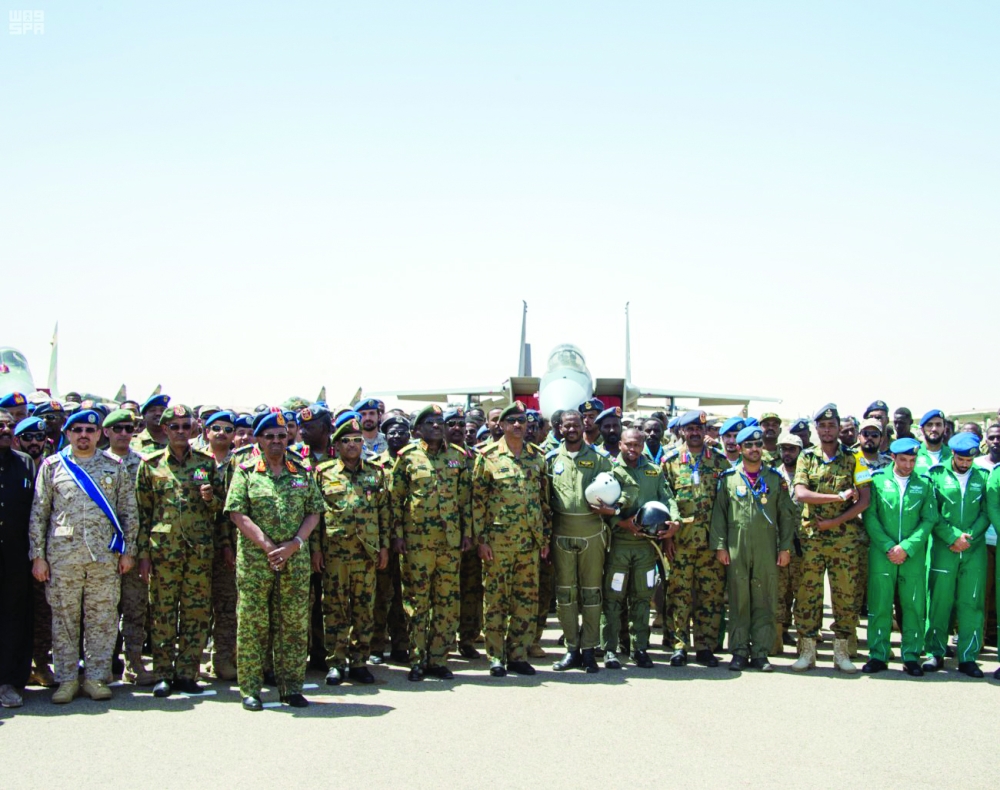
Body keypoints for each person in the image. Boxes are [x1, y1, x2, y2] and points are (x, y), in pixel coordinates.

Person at [28, 410, 137, 704]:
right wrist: (38, 556)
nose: (83, 435)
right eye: (77, 429)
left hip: (105, 557)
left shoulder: (114, 466)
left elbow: (129, 512)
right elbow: (39, 514)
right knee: (64, 619)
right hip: (63, 558)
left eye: (90, 429)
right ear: (67, 433)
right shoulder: (53, 467)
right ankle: (66, 680)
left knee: (102, 619)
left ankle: (96, 678)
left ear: (100, 433)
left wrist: (128, 552)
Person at [225, 412, 323, 710]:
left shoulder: (302, 471)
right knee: (253, 625)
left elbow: (314, 511)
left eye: (282, 436)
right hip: (257, 562)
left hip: (295, 561)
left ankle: (291, 687)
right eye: (270, 436)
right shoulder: (246, 471)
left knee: (292, 625)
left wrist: (294, 545)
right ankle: (251, 689)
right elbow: (237, 513)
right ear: (258, 440)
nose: (277, 441)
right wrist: (269, 547)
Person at [136, 405, 224, 697]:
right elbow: (142, 515)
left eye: (186, 426)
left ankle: (187, 672)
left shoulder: (206, 463)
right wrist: (143, 556)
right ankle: (163, 672)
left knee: (195, 613)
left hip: (198, 550)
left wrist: (211, 498)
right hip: (164, 551)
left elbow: (222, 508)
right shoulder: (150, 464)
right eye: (174, 427)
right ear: (164, 429)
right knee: (162, 612)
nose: (181, 432)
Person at [547, 410, 635, 673]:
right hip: (561, 532)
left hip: (592, 533)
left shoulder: (600, 459)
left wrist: (616, 507)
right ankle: (571, 648)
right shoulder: (550, 459)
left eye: (576, 425)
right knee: (565, 593)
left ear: (583, 427)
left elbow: (627, 487)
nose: (571, 429)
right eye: (567, 426)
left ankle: (588, 650)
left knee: (592, 593)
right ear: (560, 428)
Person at [390, 404, 472, 681]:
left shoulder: (458, 457)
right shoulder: (408, 457)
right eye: (430, 422)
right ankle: (417, 659)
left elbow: (465, 501)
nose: (437, 426)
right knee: (417, 602)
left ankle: (438, 659)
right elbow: (395, 500)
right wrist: (397, 535)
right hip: (416, 543)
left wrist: (467, 533)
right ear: (418, 429)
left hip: (449, 543)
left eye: (440, 422)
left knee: (447, 601)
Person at [473, 402, 551, 677]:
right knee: (496, 599)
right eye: (512, 421)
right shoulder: (487, 456)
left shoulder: (536, 457)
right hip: (498, 542)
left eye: (522, 420)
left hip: (529, 542)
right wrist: (481, 540)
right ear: (502, 426)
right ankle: (496, 656)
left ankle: (518, 654)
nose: (518, 425)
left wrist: (544, 538)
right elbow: (478, 502)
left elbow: (543, 501)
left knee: (526, 599)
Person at [791, 404, 871, 673]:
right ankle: (807, 650)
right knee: (808, 595)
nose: (827, 430)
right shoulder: (807, 457)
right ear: (816, 429)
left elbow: (865, 499)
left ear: (839, 428)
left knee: (845, 595)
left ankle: (841, 652)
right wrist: (837, 497)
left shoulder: (854, 458)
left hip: (844, 539)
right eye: (822, 426)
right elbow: (801, 493)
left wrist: (835, 521)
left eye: (832, 426)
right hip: (812, 538)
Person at [711, 426, 796, 671]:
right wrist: (720, 546)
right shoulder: (728, 478)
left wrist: (785, 548)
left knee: (764, 599)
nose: (755, 449)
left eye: (758, 445)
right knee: (739, 600)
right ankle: (738, 651)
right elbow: (719, 515)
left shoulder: (774, 479)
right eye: (749, 445)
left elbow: (786, 516)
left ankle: (760, 652)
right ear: (739, 448)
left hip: (767, 548)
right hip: (737, 547)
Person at [314, 413, 389, 686]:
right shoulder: (323, 474)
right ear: (337, 445)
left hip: (366, 553)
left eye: (357, 440)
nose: (352, 445)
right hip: (334, 552)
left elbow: (384, 514)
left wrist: (384, 548)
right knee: (334, 608)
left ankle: (359, 661)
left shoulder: (375, 473)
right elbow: (315, 515)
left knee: (363, 609)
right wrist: (316, 551)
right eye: (346, 440)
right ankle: (336, 662)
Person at [603, 427, 678, 669]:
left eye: (637, 445)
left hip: (646, 546)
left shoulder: (653, 472)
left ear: (642, 445)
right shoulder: (610, 471)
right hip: (619, 546)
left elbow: (667, 499)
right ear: (621, 445)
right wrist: (620, 523)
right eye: (628, 445)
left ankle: (640, 648)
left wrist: (674, 522)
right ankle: (610, 648)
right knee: (614, 597)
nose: (632, 449)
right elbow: (601, 506)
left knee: (642, 597)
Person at [861, 438, 936, 676]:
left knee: (913, 605)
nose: (908, 465)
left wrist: (907, 547)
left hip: (911, 555)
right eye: (903, 460)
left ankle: (911, 655)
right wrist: (888, 546)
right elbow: (870, 516)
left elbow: (929, 519)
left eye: (912, 460)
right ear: (893, 458)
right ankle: (878, 654)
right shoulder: (877, 481)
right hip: (883, 553)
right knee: (880, 604)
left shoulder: (924, 483)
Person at [661, 409, 730, 667]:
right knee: (679, 595)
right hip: (680, 543)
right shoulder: (669, 462)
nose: (694, 433)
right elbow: (664, 500)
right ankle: (679, 645)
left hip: (711, 544)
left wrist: (723, 543)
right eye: (689, 429)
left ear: (704, 431)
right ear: (682, 432)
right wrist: (667, 538)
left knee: (709, 597)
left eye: (699, 429)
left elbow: (727, 506)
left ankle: (705, 646)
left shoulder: (720, 462)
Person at [924, 433, 990, 677]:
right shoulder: (936, 475)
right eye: (961, 459)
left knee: (971, 603)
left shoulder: (983, 477)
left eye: (969, 460)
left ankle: (968, 657)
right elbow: (932, 511)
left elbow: (987, 512)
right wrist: (952, 536)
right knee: (940, 602)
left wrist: (968, 537)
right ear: (952, 454)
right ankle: (935, 653)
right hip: (944, 548)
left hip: (973, 550)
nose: (965, 464)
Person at [102, 408, 154, 685]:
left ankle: (133, 664)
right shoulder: (95, 464)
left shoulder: (144, 464)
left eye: (128, 428)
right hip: (103, 551)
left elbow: (149, 511)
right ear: (106, 432)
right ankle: (105, 665)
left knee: (135, 610)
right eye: (118, 428)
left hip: (135, 549)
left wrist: (142, 552)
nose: (124, 433)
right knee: (104, 611)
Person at [0, 409, 36, 709]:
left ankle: (8, 682)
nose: (6, 430)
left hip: (15, 557)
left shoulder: (24, 463)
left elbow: (35, 514)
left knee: (14, 620)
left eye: (9, 425)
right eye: (0, 426)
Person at [370, 414, 412, 664]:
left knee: (403, 595)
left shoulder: (416, 463)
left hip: (411, 540)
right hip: (383, 541)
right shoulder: (375, 466)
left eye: (402, 432)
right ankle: (376, 646)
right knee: (379, 595)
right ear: (385, 436)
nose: (397, 436)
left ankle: (401, 645)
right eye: (392, 433)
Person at [773, 432, 803, 653]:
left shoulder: (808, 474)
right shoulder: (774, 476)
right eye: (784, 449)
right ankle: (779, 634)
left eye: (792, 449)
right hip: (779, 543)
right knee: (779, 591)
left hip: (804, 544)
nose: (787, 453)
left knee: (802, 592)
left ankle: (803, 636)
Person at [915, 409, 952, 475]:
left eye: (938, 425)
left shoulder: (952, 455)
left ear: (945, 428)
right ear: (922, 429)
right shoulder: (913, 455)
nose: (934, 429)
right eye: (929, 425)